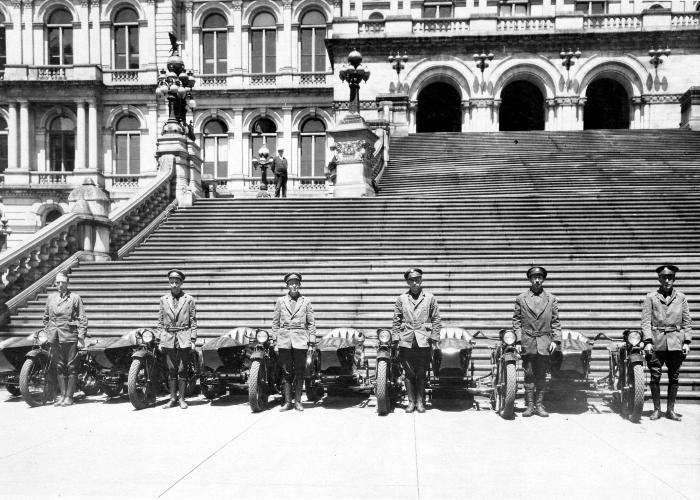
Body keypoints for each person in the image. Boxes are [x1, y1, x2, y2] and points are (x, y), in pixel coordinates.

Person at [642, 264, 692, 421]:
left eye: (670, 277)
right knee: (655, 376)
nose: (667, 280)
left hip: (676, 342)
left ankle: (670, 410)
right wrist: (648, 341)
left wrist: (687, 341)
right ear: (659, 279)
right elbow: (645, 321)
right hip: (656, 341)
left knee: (674, 376)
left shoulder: (682, 298)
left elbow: (687, 322)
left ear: (674, 279)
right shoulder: (651, 297)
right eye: (664, 277)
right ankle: (657, 409)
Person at [512, 266, 561, 417]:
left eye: (540, 278)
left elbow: (556, 322)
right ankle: (529, 406)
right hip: (528, 342)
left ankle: (539, 406)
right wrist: (519, 341)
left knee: (541, 375)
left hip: (544, 342)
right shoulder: (521, 298)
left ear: (543, 279)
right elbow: (516, 321)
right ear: (530, 279)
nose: (537, 280)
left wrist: (556, 340)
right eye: (534, 278)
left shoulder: (551, 298)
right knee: (529, 374)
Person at [392, 268, 441, 413]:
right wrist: (395, 338)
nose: (415, 283)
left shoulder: (430, 298)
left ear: (421, 280)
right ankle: (411, 402)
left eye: (417, 279)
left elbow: (436, 319)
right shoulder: (401, 299)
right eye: (412, 280)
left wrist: (434, 337)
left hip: (423, 340)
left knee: (421, 372)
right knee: (409, 373)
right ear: (407, 282)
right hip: (406, 340)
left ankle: (420, 402)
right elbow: (396, 321)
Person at [43, 271, 88, 406]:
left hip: (69, 335)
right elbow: (45, 317)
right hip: (54, 336)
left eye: (63, 282)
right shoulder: (51, 298)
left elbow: (82, 318)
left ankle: (69, 397)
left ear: (67, 283)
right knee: (59, 366)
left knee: (71, 366)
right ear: (55, 284)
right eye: (58, 282)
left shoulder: (75, 298)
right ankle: (62, 396)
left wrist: (81, 337)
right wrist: (49, 330)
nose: (60, 285)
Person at [272, 272, 315, 411]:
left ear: (299, 285)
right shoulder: (280, 301)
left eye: (296, 283)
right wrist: (275, 342)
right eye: (291, 284)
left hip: (300, 341)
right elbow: (275, 323)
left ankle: (298, 402)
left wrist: (312, 342)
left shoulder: (306, 301)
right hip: (284, 341)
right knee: (286, 372)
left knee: (300, 372)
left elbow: (311, 323)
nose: (294, 286)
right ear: (287, 285)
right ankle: (287, 402)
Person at [158, 269, 197, 409]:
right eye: (171, 282)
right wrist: (159, 340)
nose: (174, 285)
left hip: (184, 336)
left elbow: (193, 321)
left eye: (177, 282)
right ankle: (172, 398)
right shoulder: (163, 300)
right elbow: (160, 322)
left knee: (182, 369)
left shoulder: (189, 299)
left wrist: (193, 340)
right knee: (171, 369)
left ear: (181, 283)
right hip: (168, 337)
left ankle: (182, 399)